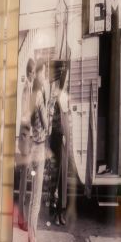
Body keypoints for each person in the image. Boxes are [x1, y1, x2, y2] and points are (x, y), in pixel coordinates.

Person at [27, 62, 49, 242]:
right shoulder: (40, 96)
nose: (45, 77)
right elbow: (47, 124)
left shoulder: (31, 95)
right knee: (36, 202)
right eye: (44, 74)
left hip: (33, 147)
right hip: (39, 149)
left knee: (33, 199)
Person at [49, 68, 71, 226]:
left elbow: (69, 119)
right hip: (59, 139)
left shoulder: (66, 97)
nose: (68, 81)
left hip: (65, 139)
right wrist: (62, 135)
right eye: (67, 78)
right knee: (58, 176)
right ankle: (57, 212)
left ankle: (62, 211)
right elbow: (56, 122)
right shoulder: (58, 98)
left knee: (64, 176)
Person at [16, 58, 36, 231]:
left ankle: (22, 218)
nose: (35, 75)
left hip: (27, 136)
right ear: (30, 73)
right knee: (23, 179)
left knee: (26, 178)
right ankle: (21, 219)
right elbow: (24, 115)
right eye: (34, 72)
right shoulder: (26, 89)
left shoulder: (29, 88)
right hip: (25, 136)